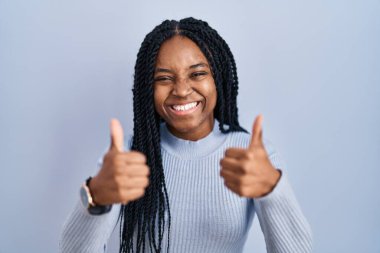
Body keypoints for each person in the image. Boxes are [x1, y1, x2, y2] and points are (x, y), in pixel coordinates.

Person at [59, 17, 312, 253]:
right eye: (164, 78)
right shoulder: (127, 158)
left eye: (197, 73)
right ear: (148, 89)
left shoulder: (250, 157)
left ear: (218, 78)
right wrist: (95, 196)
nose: (181, 90)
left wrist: (272, 190)